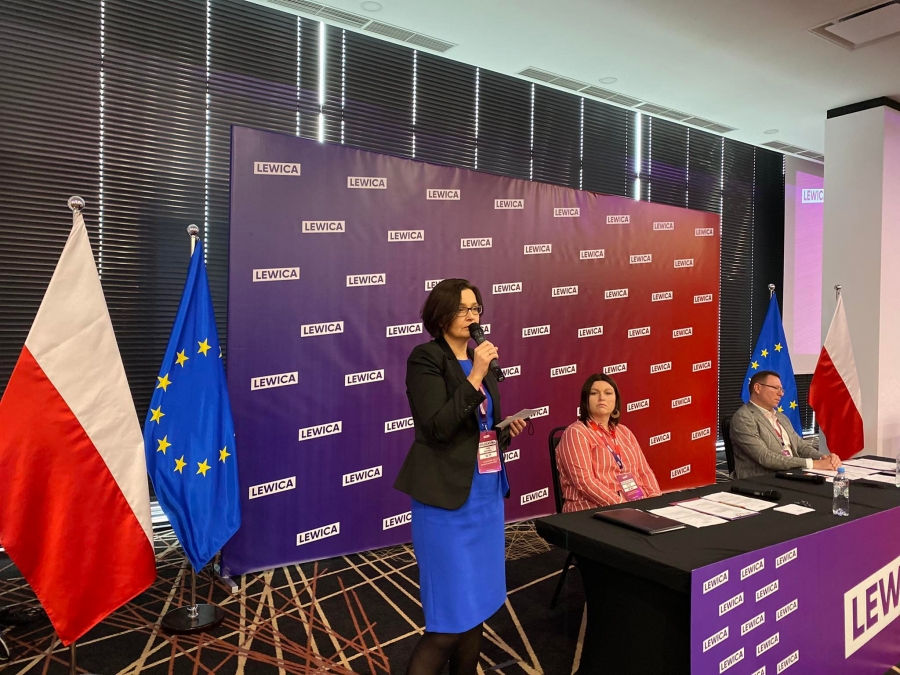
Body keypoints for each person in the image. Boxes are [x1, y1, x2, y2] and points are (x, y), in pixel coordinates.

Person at [394, 279, 527, 675]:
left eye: (476, 308)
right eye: (463, 308)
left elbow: (476, 428)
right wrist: (476, 375)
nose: (472, 315)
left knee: (476, 611)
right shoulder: (426, 359)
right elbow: (437, 427)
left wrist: (503, 430)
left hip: (485, 499)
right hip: (447, 506)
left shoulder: (479, 360)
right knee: (448, 623)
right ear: (441, 315)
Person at [555, 373, 661, 512]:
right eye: (594, 393)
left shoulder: (624, 432)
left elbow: (644, 471)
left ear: (616, 400)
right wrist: (623, 507)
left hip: (635, 506)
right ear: (585, 400)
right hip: (593, 511)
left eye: (608, 393)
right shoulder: (576, 432)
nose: (602, 398)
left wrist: (655, 501)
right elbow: (585, 483)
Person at [730, 370, 841, 479]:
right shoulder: (744, 418)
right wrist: (813, 464)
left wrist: (823, 458)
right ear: (758, 388)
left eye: (781, 389)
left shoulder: (781, 417)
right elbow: (764, 457)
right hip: (762, 479)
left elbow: (801, 447)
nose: (781, 394)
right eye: (775, 388)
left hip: (791, 474)